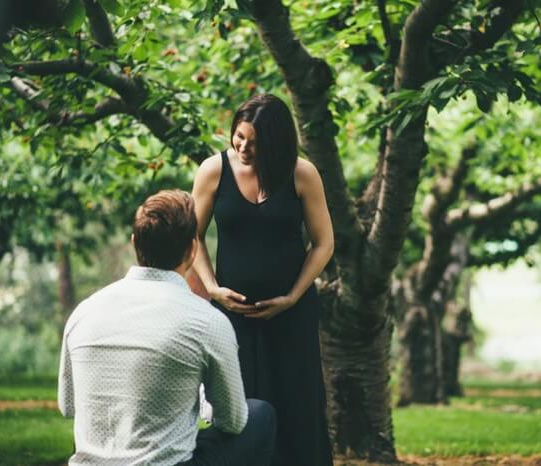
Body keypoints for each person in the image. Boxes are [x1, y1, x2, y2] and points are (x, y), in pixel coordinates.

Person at [58, 189, 276, 466]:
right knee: (260, 415)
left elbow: (68, 406)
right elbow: (232, 422)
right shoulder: (206, 320)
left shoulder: (84, 312)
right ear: (192, 248)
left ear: (134, 242)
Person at [188, 93, 335, 466]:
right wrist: (213, 290)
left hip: (292, 315)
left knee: (297, 403)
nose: (242, 147)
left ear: (276, 142)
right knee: (239, 409)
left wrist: (292, 296)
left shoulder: (302, 173)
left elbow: (323, 243)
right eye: (238, 137)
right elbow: (193, 236)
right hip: (232, 316)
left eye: (253, 142)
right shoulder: (213, 170)